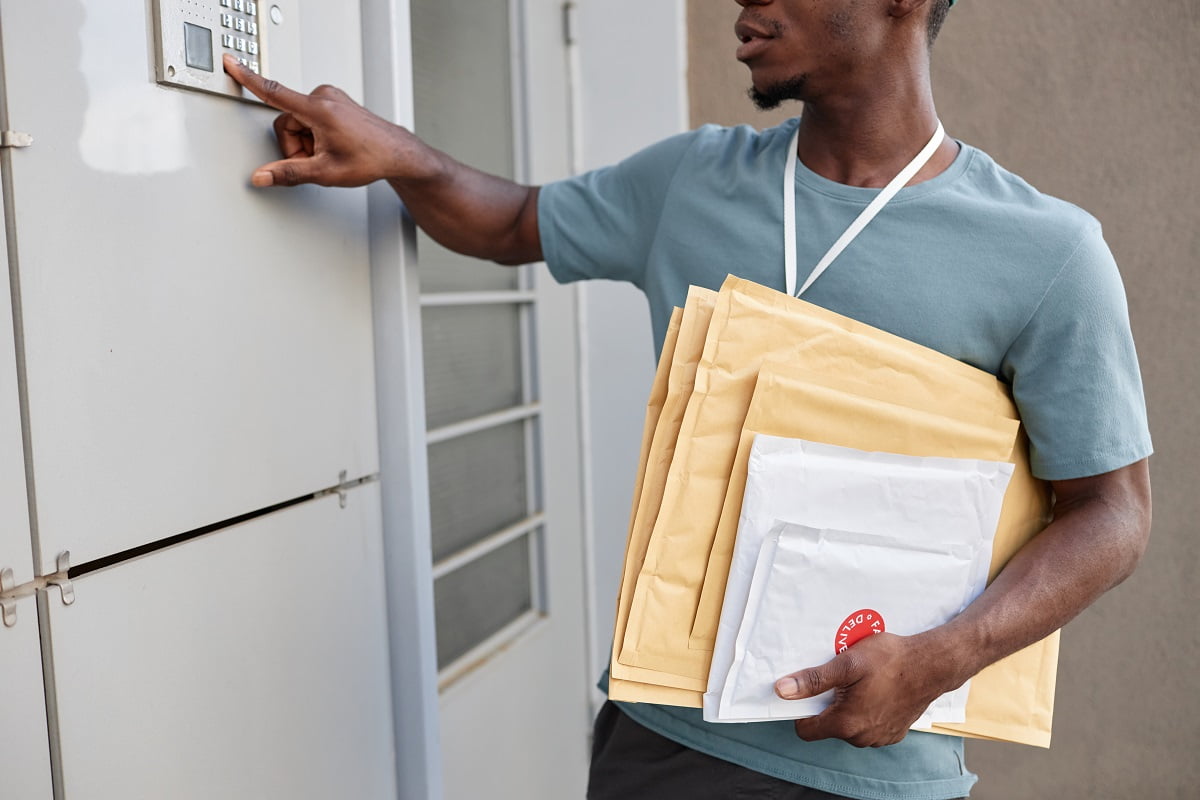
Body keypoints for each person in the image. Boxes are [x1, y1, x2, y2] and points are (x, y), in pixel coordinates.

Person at [222, 0, 1153, 797]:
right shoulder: (690, 180)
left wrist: (943, 658)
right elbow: (513, 221)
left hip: (878, 764)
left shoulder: (1048, 251)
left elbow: (1113, 514)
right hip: (665, 748)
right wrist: (400, 156)